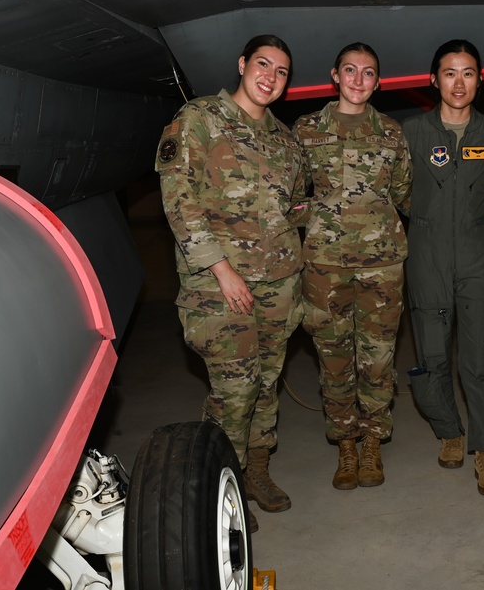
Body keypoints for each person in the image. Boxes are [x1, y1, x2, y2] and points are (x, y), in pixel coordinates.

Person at [156, 34, 305, 532]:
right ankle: (224, 485)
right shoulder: (198, 119)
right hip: (219, 287)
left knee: (265, 387)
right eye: (263, 64)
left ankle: (258, 472)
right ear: (242, 64)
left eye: (282, 71)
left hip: (277, 286)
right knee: (233, 392)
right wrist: (221, 269)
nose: (270, 76)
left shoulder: (285, 141)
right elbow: (179, 200)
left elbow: (294, 210)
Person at [292, 42, 412, 490]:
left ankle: (373, 443)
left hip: (382, 264)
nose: (358, 80)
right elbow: (289, 192)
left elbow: (403, 192)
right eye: (350, 71)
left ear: (377, 81)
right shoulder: (306, 130)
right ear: (334, 75)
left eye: (368, 73)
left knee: (379, 357)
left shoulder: (391, 132)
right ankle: (344, 442)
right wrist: (319, 223)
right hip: (324, 265)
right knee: (334, 355)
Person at [401, 40, 484, 496]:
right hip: (425, 256)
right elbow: (394, 193)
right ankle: (449, 431)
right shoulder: (409, 133)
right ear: (433, 79)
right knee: (431, 356)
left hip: (476, 257)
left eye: (468, 73)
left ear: (480, 80)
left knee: (482, 357)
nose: (459, 82)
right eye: (450, 72)